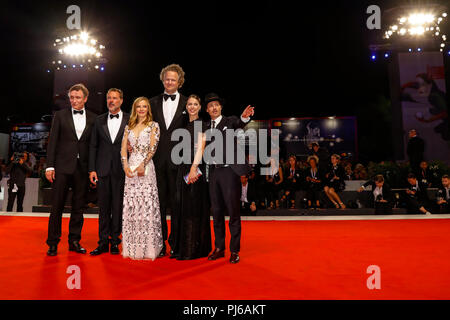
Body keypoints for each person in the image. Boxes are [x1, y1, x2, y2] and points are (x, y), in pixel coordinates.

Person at [45, 83, 96, 256]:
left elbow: (93, 146)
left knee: (78, 208)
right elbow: (53, 142)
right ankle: (52, 243)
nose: (74, 101)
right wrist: (49, 166)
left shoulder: (93, 118)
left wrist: (92, 169)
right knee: (56, 207)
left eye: (78, 97)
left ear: (85, 98)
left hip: (82, 168)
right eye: (72, 97)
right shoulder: (60, 115)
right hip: (62, 167)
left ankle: (74, 241)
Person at [204, 92, 254, 264]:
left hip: (229, 172)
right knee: (216, 212)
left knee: (233, 212)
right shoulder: (204, 127)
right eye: (210, 106)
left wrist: (244, 117)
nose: (214, 108)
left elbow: (239, 123)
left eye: (216, 105)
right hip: (213, 172)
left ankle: (234, 250)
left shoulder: (229, 121)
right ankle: (219, 248)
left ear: (220, 107)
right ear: (207, 110)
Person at [150, 64, 188, 257]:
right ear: (162, 80)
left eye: (173, 79)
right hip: (156, 162)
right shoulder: (152, 102)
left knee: (177, 203)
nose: (169, 82)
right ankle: (160, 243)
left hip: (179, 162)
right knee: (159, 205)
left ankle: (175, 242)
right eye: (167, 79)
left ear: (179, 81)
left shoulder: (188, 103)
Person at [120, 97, 163, 260]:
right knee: (132, 205)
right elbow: (123, 148)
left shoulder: (154, 126)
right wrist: (125, 166)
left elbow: (153, 148)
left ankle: (148, 247)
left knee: (146, 204)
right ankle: (133, 246)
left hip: (146, 167)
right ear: (134, 108)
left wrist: (142, 164)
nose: (142, 109)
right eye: (139, 106)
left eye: (144, 106)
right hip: (130, 168)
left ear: (148, 109)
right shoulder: (129, 126)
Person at [89, 88, 130, 255]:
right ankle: (103, 242)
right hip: (102, 169)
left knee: (118, 207)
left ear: (121, 100)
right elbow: (93, 145)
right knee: (104, 208)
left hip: (122, 170)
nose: (111, 101)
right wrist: (92, 169)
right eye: (108, 98)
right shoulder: (99, 120)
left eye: (114, 98)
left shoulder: (130, 119)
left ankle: (115, 241)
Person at [172, 94, 211, 260]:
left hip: (195, 168)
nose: (192, 107)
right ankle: (182, 247)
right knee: (183, 206)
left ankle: (192, 249)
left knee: (193, 208)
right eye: (190, 104)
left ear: (200, 107)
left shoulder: (203, 124)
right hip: (182, 167)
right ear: (186, 106)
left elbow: (201, 147)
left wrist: (194, 168)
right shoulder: (183, 124)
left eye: (195, 104)